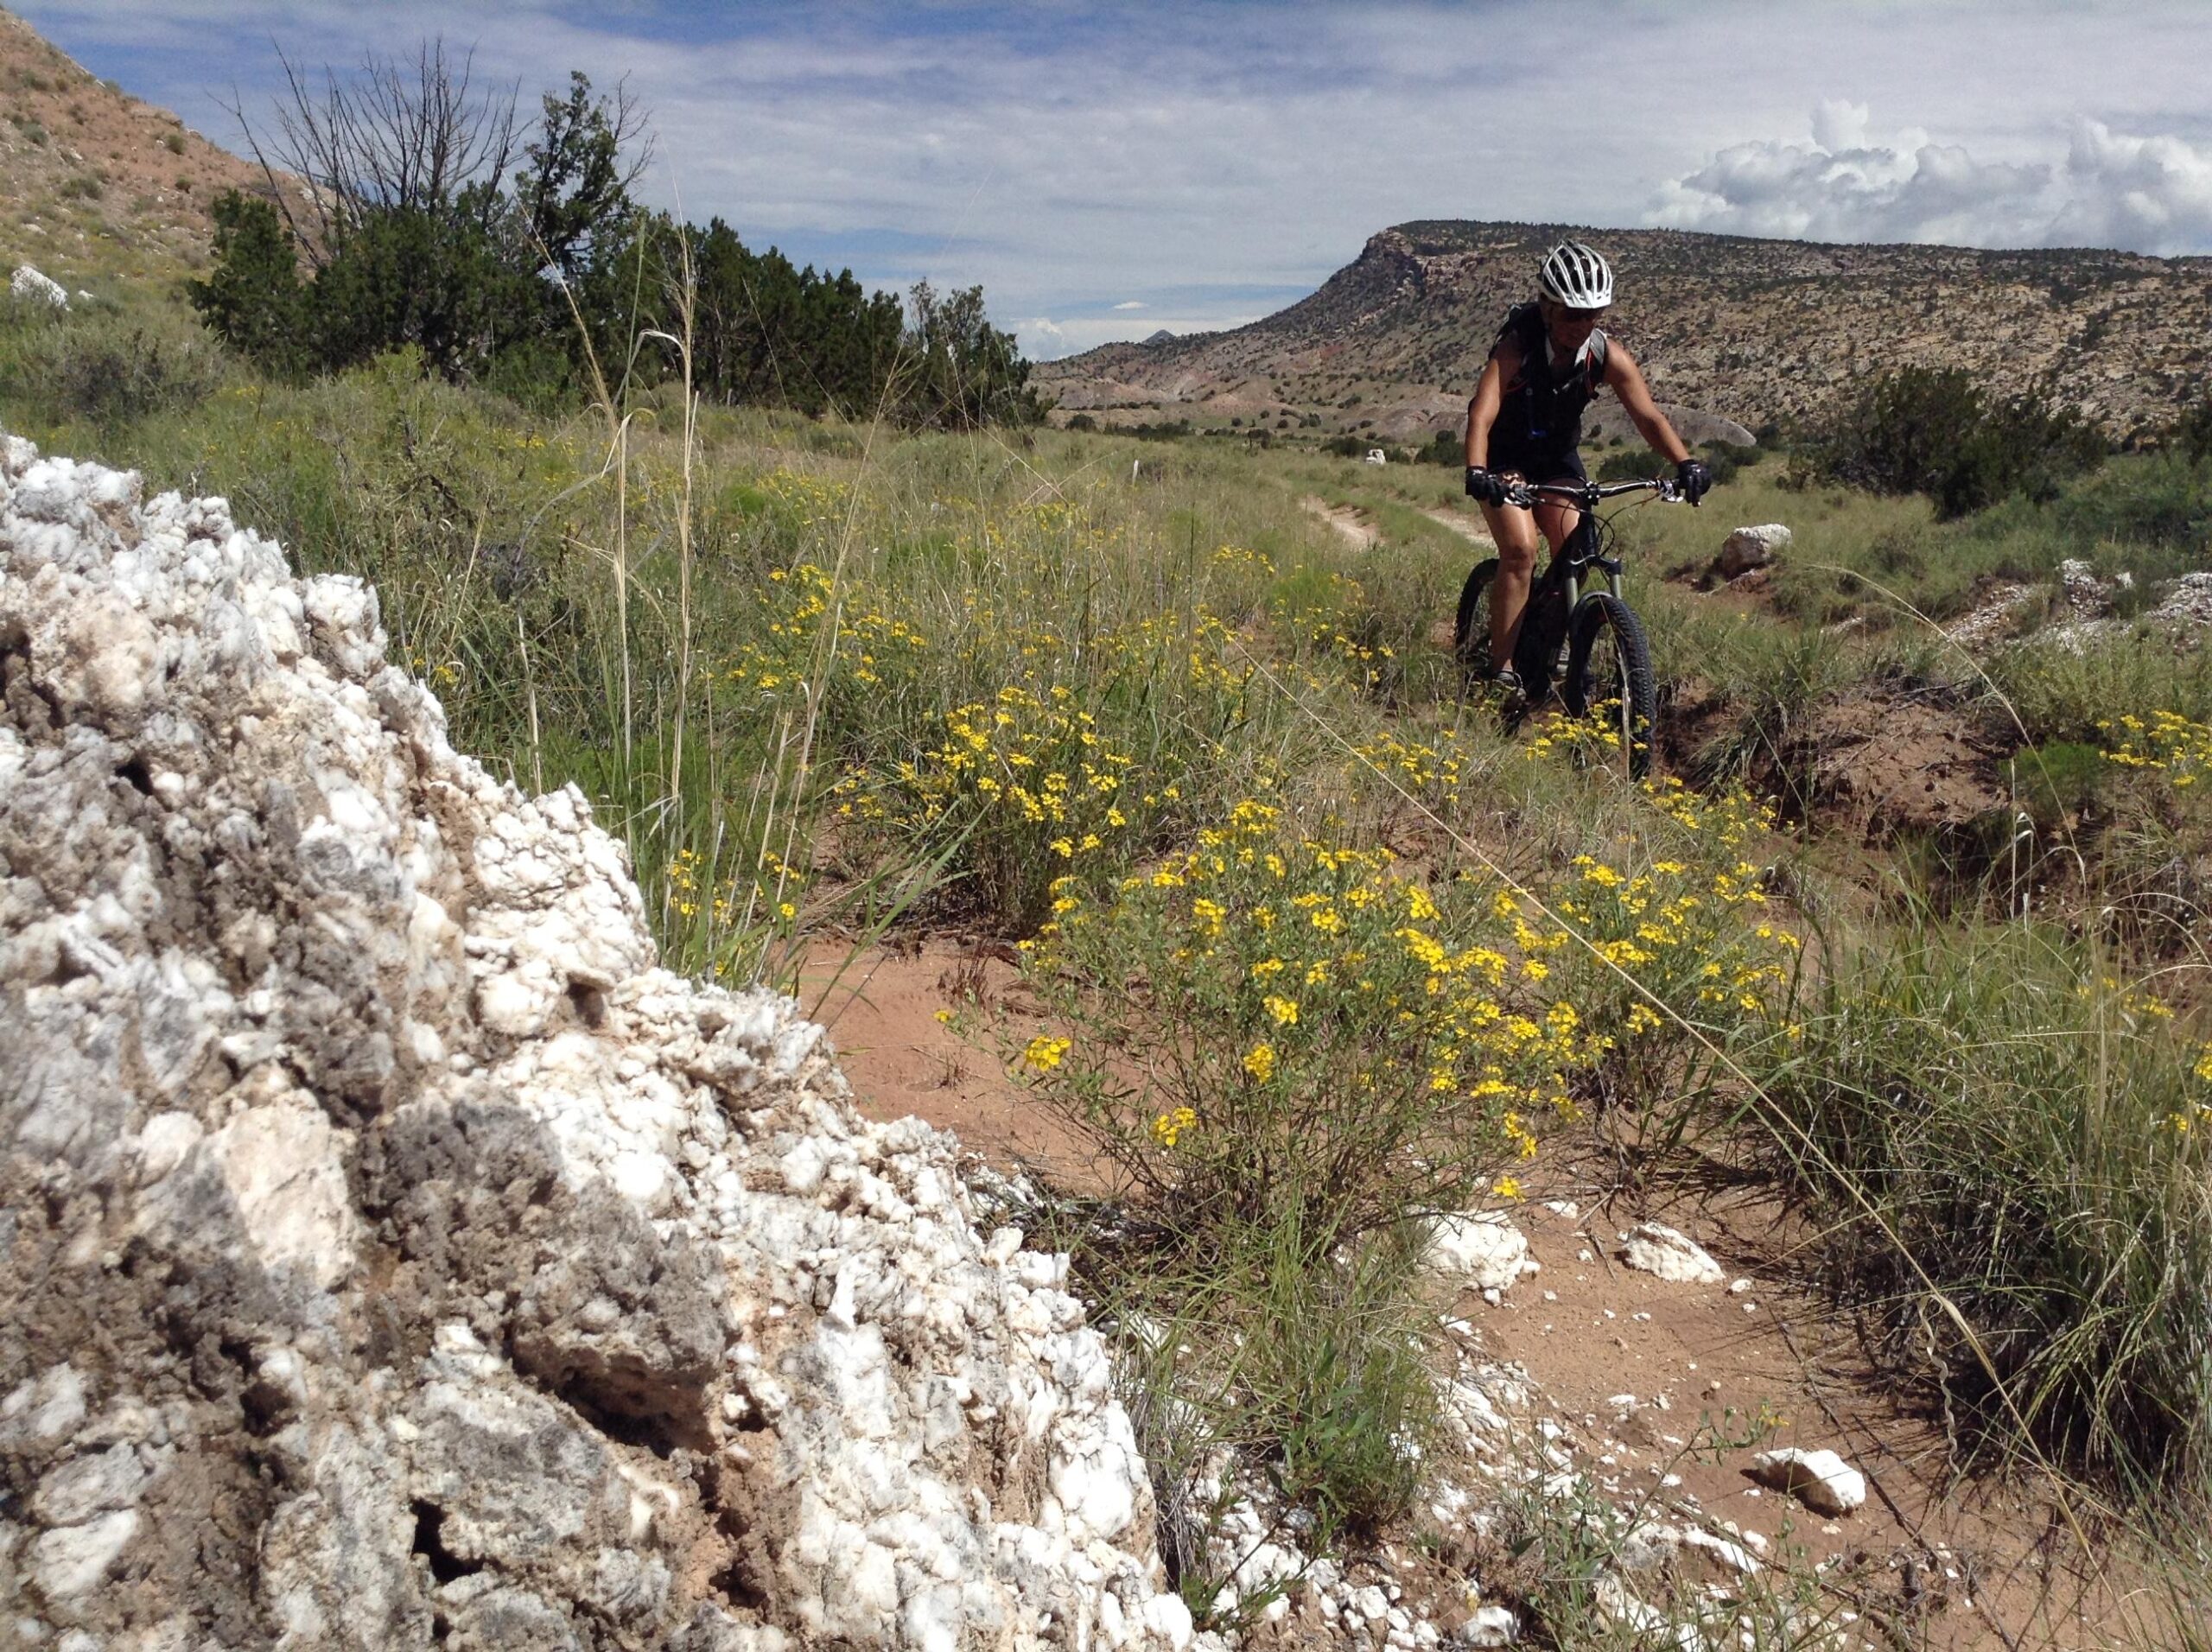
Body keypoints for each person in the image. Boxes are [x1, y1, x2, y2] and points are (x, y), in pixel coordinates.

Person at [1462, 240, 1711, 690]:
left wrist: (1686, 462)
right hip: (1504, 458)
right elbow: (1482, 413)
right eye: (1573, 314)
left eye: (1594, 314)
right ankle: (1501, 669)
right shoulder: (1517, 348)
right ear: (1546, 307)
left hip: (1556, 459)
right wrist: (1479, 473)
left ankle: (1555, 645)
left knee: (1576, 544)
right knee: (1520, 551)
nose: (1584, 324)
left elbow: (1649, 417)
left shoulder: (1605, 355)